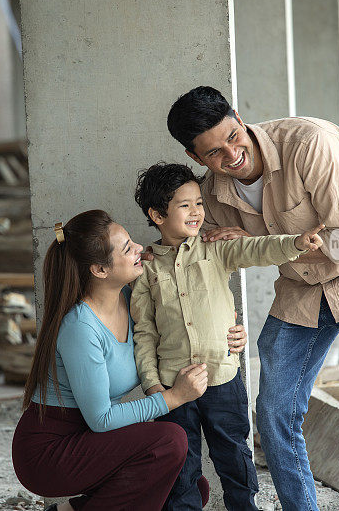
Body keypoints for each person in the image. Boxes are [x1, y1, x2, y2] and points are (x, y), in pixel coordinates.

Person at [166, 86, 339, 511]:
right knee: (272, 415)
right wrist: (219, 323)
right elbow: (205, 264)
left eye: (233, 136)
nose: (231, 155)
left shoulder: (310, 143)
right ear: (197, 158)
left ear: (238, 115)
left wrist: (260, 240)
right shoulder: (211, 195)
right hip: (303, 290)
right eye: (214, 153)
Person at [12, 209, 246, 511]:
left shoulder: (132, 296)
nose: (140, 249)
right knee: (170, 442)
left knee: (188, 487)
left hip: (89, 439)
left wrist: (229, 333)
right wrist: (175, 397)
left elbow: (187, 323)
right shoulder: (80, 327)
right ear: (99, 270)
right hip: (51, 452)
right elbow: (101, 420)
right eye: (127, 248)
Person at [131, 163, 323, 511]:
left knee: (234, 454)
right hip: (174, 386)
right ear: (157, 215)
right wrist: (152, 384)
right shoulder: (145, 268)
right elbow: (144, 331)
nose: (196, 212)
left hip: (223, 376)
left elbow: (258, 249)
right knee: (180, 467)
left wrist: (295, 243)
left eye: (199, 203)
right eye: (184, 205)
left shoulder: (215, 248)